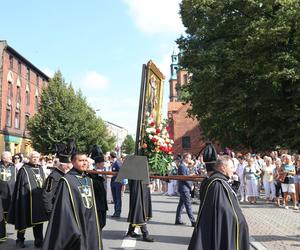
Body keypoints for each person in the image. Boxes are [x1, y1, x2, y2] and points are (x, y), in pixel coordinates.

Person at [42, 152, 102, 250]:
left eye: (85, 160)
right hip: (75, 221)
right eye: (81, 160)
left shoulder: (88, 179)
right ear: (73, 162)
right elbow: (64, 207)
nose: (84, 163)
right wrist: (73, 227)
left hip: (89, 219)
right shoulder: (66, 180)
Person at [189, 155, 249, 250]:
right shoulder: (217, 184)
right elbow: (223, 209)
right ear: (223, 168)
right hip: (221, 229)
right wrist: (238, 220)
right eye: (231, 167)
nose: (233, 170)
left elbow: (228, 197)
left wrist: (235, 185)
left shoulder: (218, 181)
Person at [8, 151, 47, 248]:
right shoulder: (24, 169)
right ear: (29, 158)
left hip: (38, 199)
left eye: (37, 157)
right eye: (33, 157)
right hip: (26, 199)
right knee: (23, 219)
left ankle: (39, 240)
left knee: (39, 221)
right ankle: (20, 240)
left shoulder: (41, 168)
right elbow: (20, 186)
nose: (35, 158)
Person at [42, 153, 73, 219]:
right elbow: (47, 194)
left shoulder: (64, 174)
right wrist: (49, 211)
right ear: (62, 165)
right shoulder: (53, 177)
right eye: (68, 166)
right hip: (55, 208)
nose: (69, 168)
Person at [175, 153, 196, 227]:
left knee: (181, 205)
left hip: (184, 188)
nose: (190, 160)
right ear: (185, 158)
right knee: (188, 205)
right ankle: (193, 222)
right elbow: (185, 178)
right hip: (184, 188)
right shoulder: (182, 166)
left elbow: (186, 176)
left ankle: (177, 220)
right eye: (189, 158)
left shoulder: (184, 166)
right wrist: (191, 186)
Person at [0, 151, 16, 240]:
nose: (11, 158)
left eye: (11, 157)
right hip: (0, 196)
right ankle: (2, 235)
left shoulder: (14, 167)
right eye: (9, 157)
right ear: (3, 158)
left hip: (11, 195)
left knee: (7, 216)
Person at [89, 155, 108, 230]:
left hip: (102, 202)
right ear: (97, 164)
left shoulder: (103, 173)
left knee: (102, 223)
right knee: (98, 224)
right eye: (102, 164)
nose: (103, 165)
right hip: (97, 203)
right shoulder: (91, 174)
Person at [110, 151, 122, 218]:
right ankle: (116, 211)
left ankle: (118, 212)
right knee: (115, 198)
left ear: (111, 156)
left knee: (117, 198)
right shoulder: (114, 163)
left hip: (117, 182)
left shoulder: (117, 162)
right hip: (113, 181)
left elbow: (121, 172)